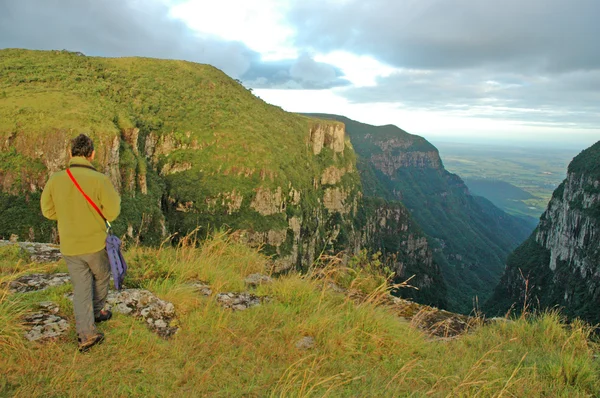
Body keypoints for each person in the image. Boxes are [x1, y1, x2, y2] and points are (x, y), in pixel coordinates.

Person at [41, 134, 121, 352]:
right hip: (95, 244)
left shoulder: (56, 179)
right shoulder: (100, 180)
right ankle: (97, 312)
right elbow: (113, 212)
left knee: (81, 287)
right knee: (102, 276)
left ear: (70, 153)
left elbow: (47, 211)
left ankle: (86, 333)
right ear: (92, 154)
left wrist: (69, 214)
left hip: (69, 244)